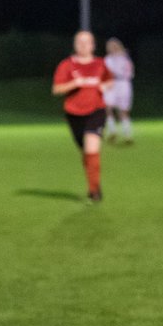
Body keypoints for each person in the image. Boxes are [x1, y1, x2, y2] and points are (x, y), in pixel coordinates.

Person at [52, 30, 114, 202]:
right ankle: (94, 183)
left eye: (87, 42)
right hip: (73, 114)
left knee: (91, 149)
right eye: (80, 42)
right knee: (86, 153)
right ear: (75, 45)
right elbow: (56, 89)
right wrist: (74, 83)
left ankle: (94, 191)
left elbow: (110, 80)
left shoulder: (100, 64)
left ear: (93, 45)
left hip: (96, 111)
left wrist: (105, 86)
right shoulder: (66, 65)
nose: (83, 45)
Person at [103, 37, 135, 144]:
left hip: (123, 83)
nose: (112, 48)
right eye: (110, 46)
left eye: (114, 46)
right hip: (111, 84)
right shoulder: (107, 59)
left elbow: (130, 72)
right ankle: (112, 131)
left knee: (123, 110)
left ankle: (127, 134)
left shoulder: (124, 58)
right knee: (108, 106)